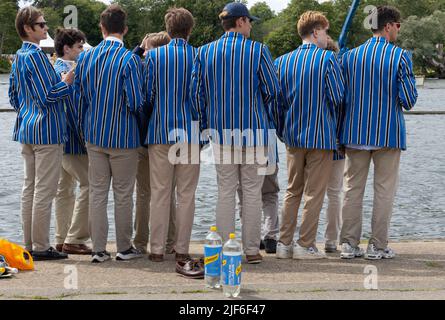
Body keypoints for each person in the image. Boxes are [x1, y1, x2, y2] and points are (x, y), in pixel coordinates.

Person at [191, 2, 280, 264]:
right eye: (250, 21)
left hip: (220, 133)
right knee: (252, 193)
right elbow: (272, 90)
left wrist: (208, 124)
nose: (251, 25)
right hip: (254, 131)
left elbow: (197, 95)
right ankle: (251, 250)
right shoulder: (258, 51)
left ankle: (223, 250)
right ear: (240, 22)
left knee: (225, 191)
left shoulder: (205, 52)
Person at [339, 5, 417, 260]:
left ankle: (349, 245)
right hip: (387, 133)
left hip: (354, 132)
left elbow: (341, 96)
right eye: (398, 25)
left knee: (352, 189)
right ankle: (377, 246)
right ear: (387, 27)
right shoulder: (399, 56)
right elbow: (408, 99)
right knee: (384, 190)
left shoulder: (349, 57)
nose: (398, 30)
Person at [74, 4, 144, 263]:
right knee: (124, 194)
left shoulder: (85, 58)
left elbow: (78, 97)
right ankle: (124, 248)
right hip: (124, 136)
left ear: (102, 28)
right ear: (124, 29)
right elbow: (136, 101)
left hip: (94, 134)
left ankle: (98, 250)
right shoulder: (129, 59)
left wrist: (85, 128)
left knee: (97, 193)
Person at [275, 11, 345, 260]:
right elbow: (338, 98)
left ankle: (284, 244)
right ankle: (305, 244)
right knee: (314, 193)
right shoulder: (328, 60)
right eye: (325, 31)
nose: (327, 37)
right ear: (316, 32)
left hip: (292, 136)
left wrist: (283, 130)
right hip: (321, 136)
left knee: (292, 190)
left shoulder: (281, 62)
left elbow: (276, 102)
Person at [8, 6, 74, 260]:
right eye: (42, 24)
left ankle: (30, 243)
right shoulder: (36, 57)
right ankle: (41, 246)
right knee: (44, 191)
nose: (46, 28)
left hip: (27, 129)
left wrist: (28, 111)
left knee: (30, 189)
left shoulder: (19, 56)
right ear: (28, 28)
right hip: (47, 132)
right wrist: (67, 82)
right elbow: (49, 95)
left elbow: (14, 96)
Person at [144, 8, 200, 264]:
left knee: (160, 192)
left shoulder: (155, 57)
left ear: (168, 29)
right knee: (186, 194)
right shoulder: (199, 57)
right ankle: (182, 248)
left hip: (160, 130)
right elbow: (203, 98)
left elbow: (148, 95)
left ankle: (156, 249)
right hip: (190, 132)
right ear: (190, 29)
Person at [132, 31, 178, 255]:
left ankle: (140, 243)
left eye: (147, 49)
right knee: (168, 193)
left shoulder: (144, 67)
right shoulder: (173, 66)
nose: (144, 53)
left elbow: (127, 63)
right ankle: (171, 242)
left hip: (145, 138)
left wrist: (138, 50)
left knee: (144, 193)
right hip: (171, 137)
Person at [53, 27, 91, 255]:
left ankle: (61, 238)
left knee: (64, 190)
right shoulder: (65, 71)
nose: (82, 49)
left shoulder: (59, 68)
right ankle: (74, 237)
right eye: (79, 46)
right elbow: (71, 109)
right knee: (89, 185)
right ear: (67, 48)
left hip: (60, 139)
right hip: (72, 140)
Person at [323, 36, 345, 253]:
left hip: (309, 142)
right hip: (336, 141)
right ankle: (331, 240)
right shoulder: (341, 74)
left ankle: (293, 238)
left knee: (302, 192)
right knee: (335, 192)